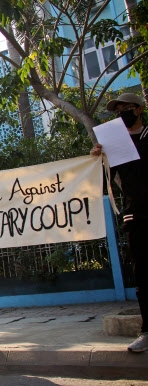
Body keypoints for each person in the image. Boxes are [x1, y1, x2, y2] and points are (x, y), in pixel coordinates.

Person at [91, 93, 148, 352]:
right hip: (135, 216)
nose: (122, 114)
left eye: (126, 109)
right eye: (118, 111)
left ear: (138, 110)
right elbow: (102, 183)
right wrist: (97, 160)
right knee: (142, 278)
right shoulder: (113, 144)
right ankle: (147, 331)